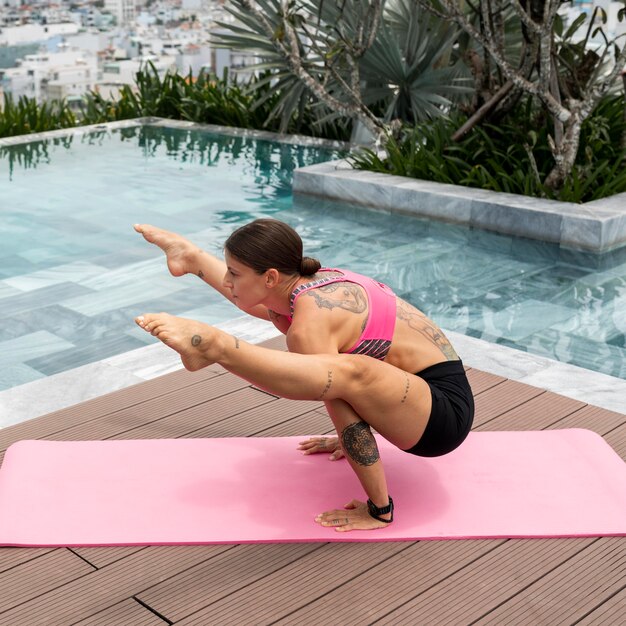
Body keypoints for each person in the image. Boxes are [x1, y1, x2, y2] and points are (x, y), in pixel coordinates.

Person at [133, 219, 474, 532]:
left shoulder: (309, 327)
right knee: (333, 365)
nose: (227, 281)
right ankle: (191, 258)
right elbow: (256, 300)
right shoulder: (309, 285)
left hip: (440, 421)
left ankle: (217, 347)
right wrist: (196, 261)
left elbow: (343, 408)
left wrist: (378, 508)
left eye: (234, 273)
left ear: (270, 277)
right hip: (419, 394)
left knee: (345, 376)